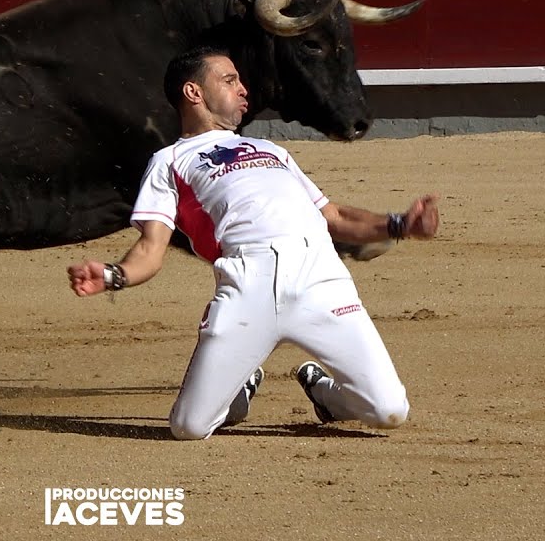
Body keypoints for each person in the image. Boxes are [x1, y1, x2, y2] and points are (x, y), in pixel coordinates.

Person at [66, 47, 440, 441]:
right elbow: (150, 248)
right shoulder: (169, 161)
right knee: (189, 427)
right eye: (229, 80)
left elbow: (335, 217)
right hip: (248, 285)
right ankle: (239, 388)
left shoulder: (272, 150)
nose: (243, 89)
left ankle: (326, 396)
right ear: (193, 92)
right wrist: (115, 275)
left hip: (321, 279)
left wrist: (400, 225)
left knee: (389, 410)